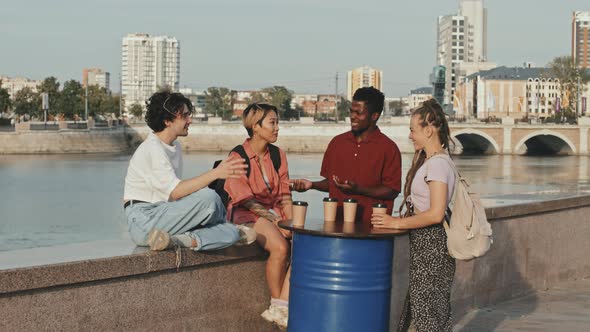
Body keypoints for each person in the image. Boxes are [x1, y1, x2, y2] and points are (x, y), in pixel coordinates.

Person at [123, 91, 256, 253]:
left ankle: (176, 241)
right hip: (144, 221)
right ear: (167, 121)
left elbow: (176, 195)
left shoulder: (174, 146)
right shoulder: (153, 148)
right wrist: (216, 173)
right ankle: (216, 226)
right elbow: (176, 192)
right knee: (210, 198)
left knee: (233, 234)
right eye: (185, 116)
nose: (190, 120)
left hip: (164, 220)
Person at [371, 99, 456, 332]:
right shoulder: (432, 161)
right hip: (426, 242)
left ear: (428, 130)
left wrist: (396, 222)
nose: (410, 136)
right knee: (427, 308)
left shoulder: (437, 165)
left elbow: (436, 214)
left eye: (413, 130)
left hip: (432, 243)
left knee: (426, 309)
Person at [224, 103, 293, 328]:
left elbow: (285, 194)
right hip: (246, 214)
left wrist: (291, 224)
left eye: (277, 123)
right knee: (280, 247)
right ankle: (279, 305)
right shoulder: (238, 155)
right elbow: (244, 199)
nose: (277, 128)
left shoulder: (278, 155)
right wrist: (277, 221)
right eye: (272, 123)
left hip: (272, 215)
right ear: (256, 126)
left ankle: (281, 306)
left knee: (302, 242)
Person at [291, 86, 401, 223]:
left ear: (375, 116)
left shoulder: (389, 148)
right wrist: (311, 185)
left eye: (358, 113)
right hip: (336, 229)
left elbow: (392, 191)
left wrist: (359, 190)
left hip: (373, 231)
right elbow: (331, 183)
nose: (352, 116)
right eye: (351, 111)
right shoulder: (337, 143)